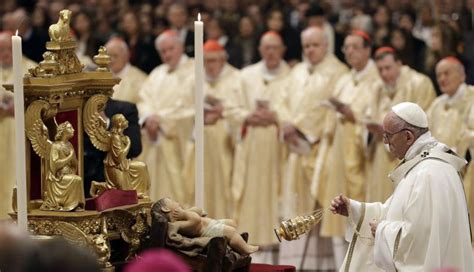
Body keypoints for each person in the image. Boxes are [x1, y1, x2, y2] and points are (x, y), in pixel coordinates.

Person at [331, 102, 473, 271]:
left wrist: (382, 230)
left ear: (408, 137)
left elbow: (419, 240)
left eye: (388, 136)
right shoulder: (423, 165)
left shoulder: (428, 173)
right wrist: (353, 208)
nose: (385, 143)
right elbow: (394, 213)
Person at [279, 26, 348, 270]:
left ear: (326, 45)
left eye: (315, 45)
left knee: (327, 213)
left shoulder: (339, 72)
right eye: (306, 45)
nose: (309, 50)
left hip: (323, 150)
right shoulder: (296, 71)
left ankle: (329, 267)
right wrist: (286, 122)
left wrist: (300, 127)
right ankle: (298, 265)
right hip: (296, 151)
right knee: (296, 207)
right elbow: (282, 100)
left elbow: (328, 110)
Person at [311, 30, 379, 267]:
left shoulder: (376, 79)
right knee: (339, 217)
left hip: (363, 157)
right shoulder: (343, 80)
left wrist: (355, 116)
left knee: (361, 214)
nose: (349, 51)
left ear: (367, 49)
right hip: (340, 155)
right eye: (346, 47)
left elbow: (377, 118)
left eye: (354, 47)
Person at [231, 31, 289, 256]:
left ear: (283, 50)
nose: (271, 52)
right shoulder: (246, 75)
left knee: (277, 188)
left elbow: (295, 108)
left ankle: (278, 242)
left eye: (275, 47)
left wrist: (276, 116)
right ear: (260, 50)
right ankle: (251, 239)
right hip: (252, 143)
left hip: (278, 146)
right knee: (250, 190)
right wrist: (247, 116)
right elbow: (231, 106)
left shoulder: (292, 75)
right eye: (267, 48)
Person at [365, 47, 435, 202]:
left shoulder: (419, 83)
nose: (384, 74)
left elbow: (427, 120)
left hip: (409, 155)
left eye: (388, 68)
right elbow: (369, 115)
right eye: (380, 69)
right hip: (380, 156)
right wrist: (373, 129)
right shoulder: (377, 88)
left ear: (399, 63)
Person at [182, 40, 242, 219]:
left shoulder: (237, 78)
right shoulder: (193, 80)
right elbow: (182, 108)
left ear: (223, 60)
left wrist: (223, 112)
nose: (210, 65)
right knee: (198, 185)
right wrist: (197, 115)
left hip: (225, 144)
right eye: (206, 61)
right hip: (199, 141)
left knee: (225, 185)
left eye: (214, 60)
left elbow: (241, 108)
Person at [137, 30, 194, 205]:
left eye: (171, 49)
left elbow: (191, 108)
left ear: (181, 47)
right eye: (163, 51)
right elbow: (143, 100)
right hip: (155, 142)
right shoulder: (157, 73)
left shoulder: (195, 70)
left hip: (179, 142)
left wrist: (160, 121)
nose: (167, 54)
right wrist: (147, 118)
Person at [427, 56, 474, 228]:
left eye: (446, 73)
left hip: (468, 175)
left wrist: (456, 152)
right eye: (438, 75)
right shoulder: (437, 104)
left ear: (462, 75)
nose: (442, 79)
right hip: (440, 176)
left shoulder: (472, 97)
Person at [0, 31, 37, 218]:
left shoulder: (31, 69)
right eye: (1, 50)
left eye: (8, 49)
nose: (5, 54)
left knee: (18, 177)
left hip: (20, 133)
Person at [157, 197, 259, 255]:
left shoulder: (183, 215)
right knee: (231, 232)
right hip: (209, 230)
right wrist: (185, 214)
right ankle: (244, 249)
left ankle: (240, 244)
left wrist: (188, 211)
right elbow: (195, 220)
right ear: (166, 209)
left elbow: (198, 211)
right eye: (174, 203)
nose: (178, 203)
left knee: (232, 222)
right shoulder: (178, 224)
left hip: (212, 223)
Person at [42, 121, 85, 211]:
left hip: (67, 174)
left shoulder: (70, 145)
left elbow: (74, 164)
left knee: (77, 179)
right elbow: (55, 165)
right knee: (77, 179)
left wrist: (73, 162)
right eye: (70, 128)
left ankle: (75, 205)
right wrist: (69, 157)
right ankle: (69, 205)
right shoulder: (56, 146)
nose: (73, 130)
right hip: (57, 177)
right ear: (63, 131)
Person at [105, 38, 147, 105]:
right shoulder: (102, 76)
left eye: (115, 56)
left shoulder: (140, 79)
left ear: (126, 56)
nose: (111, 60)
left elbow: (143, 105)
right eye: (109, 56)